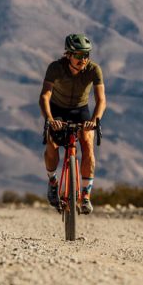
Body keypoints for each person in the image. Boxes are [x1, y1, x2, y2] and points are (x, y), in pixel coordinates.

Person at [39, 33, 106, 214]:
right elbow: (45, 96)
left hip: (80, 111)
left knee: (87, 144)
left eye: (86, 55)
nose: (82, 59)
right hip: (57, 110)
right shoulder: (55, 68)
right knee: (52, 144)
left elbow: (101, 100)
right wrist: (50, 120)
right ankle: (53, 181)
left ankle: (85, 195)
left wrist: (94, 120)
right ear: (68, 54)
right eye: (78, 55)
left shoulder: (94, 70)